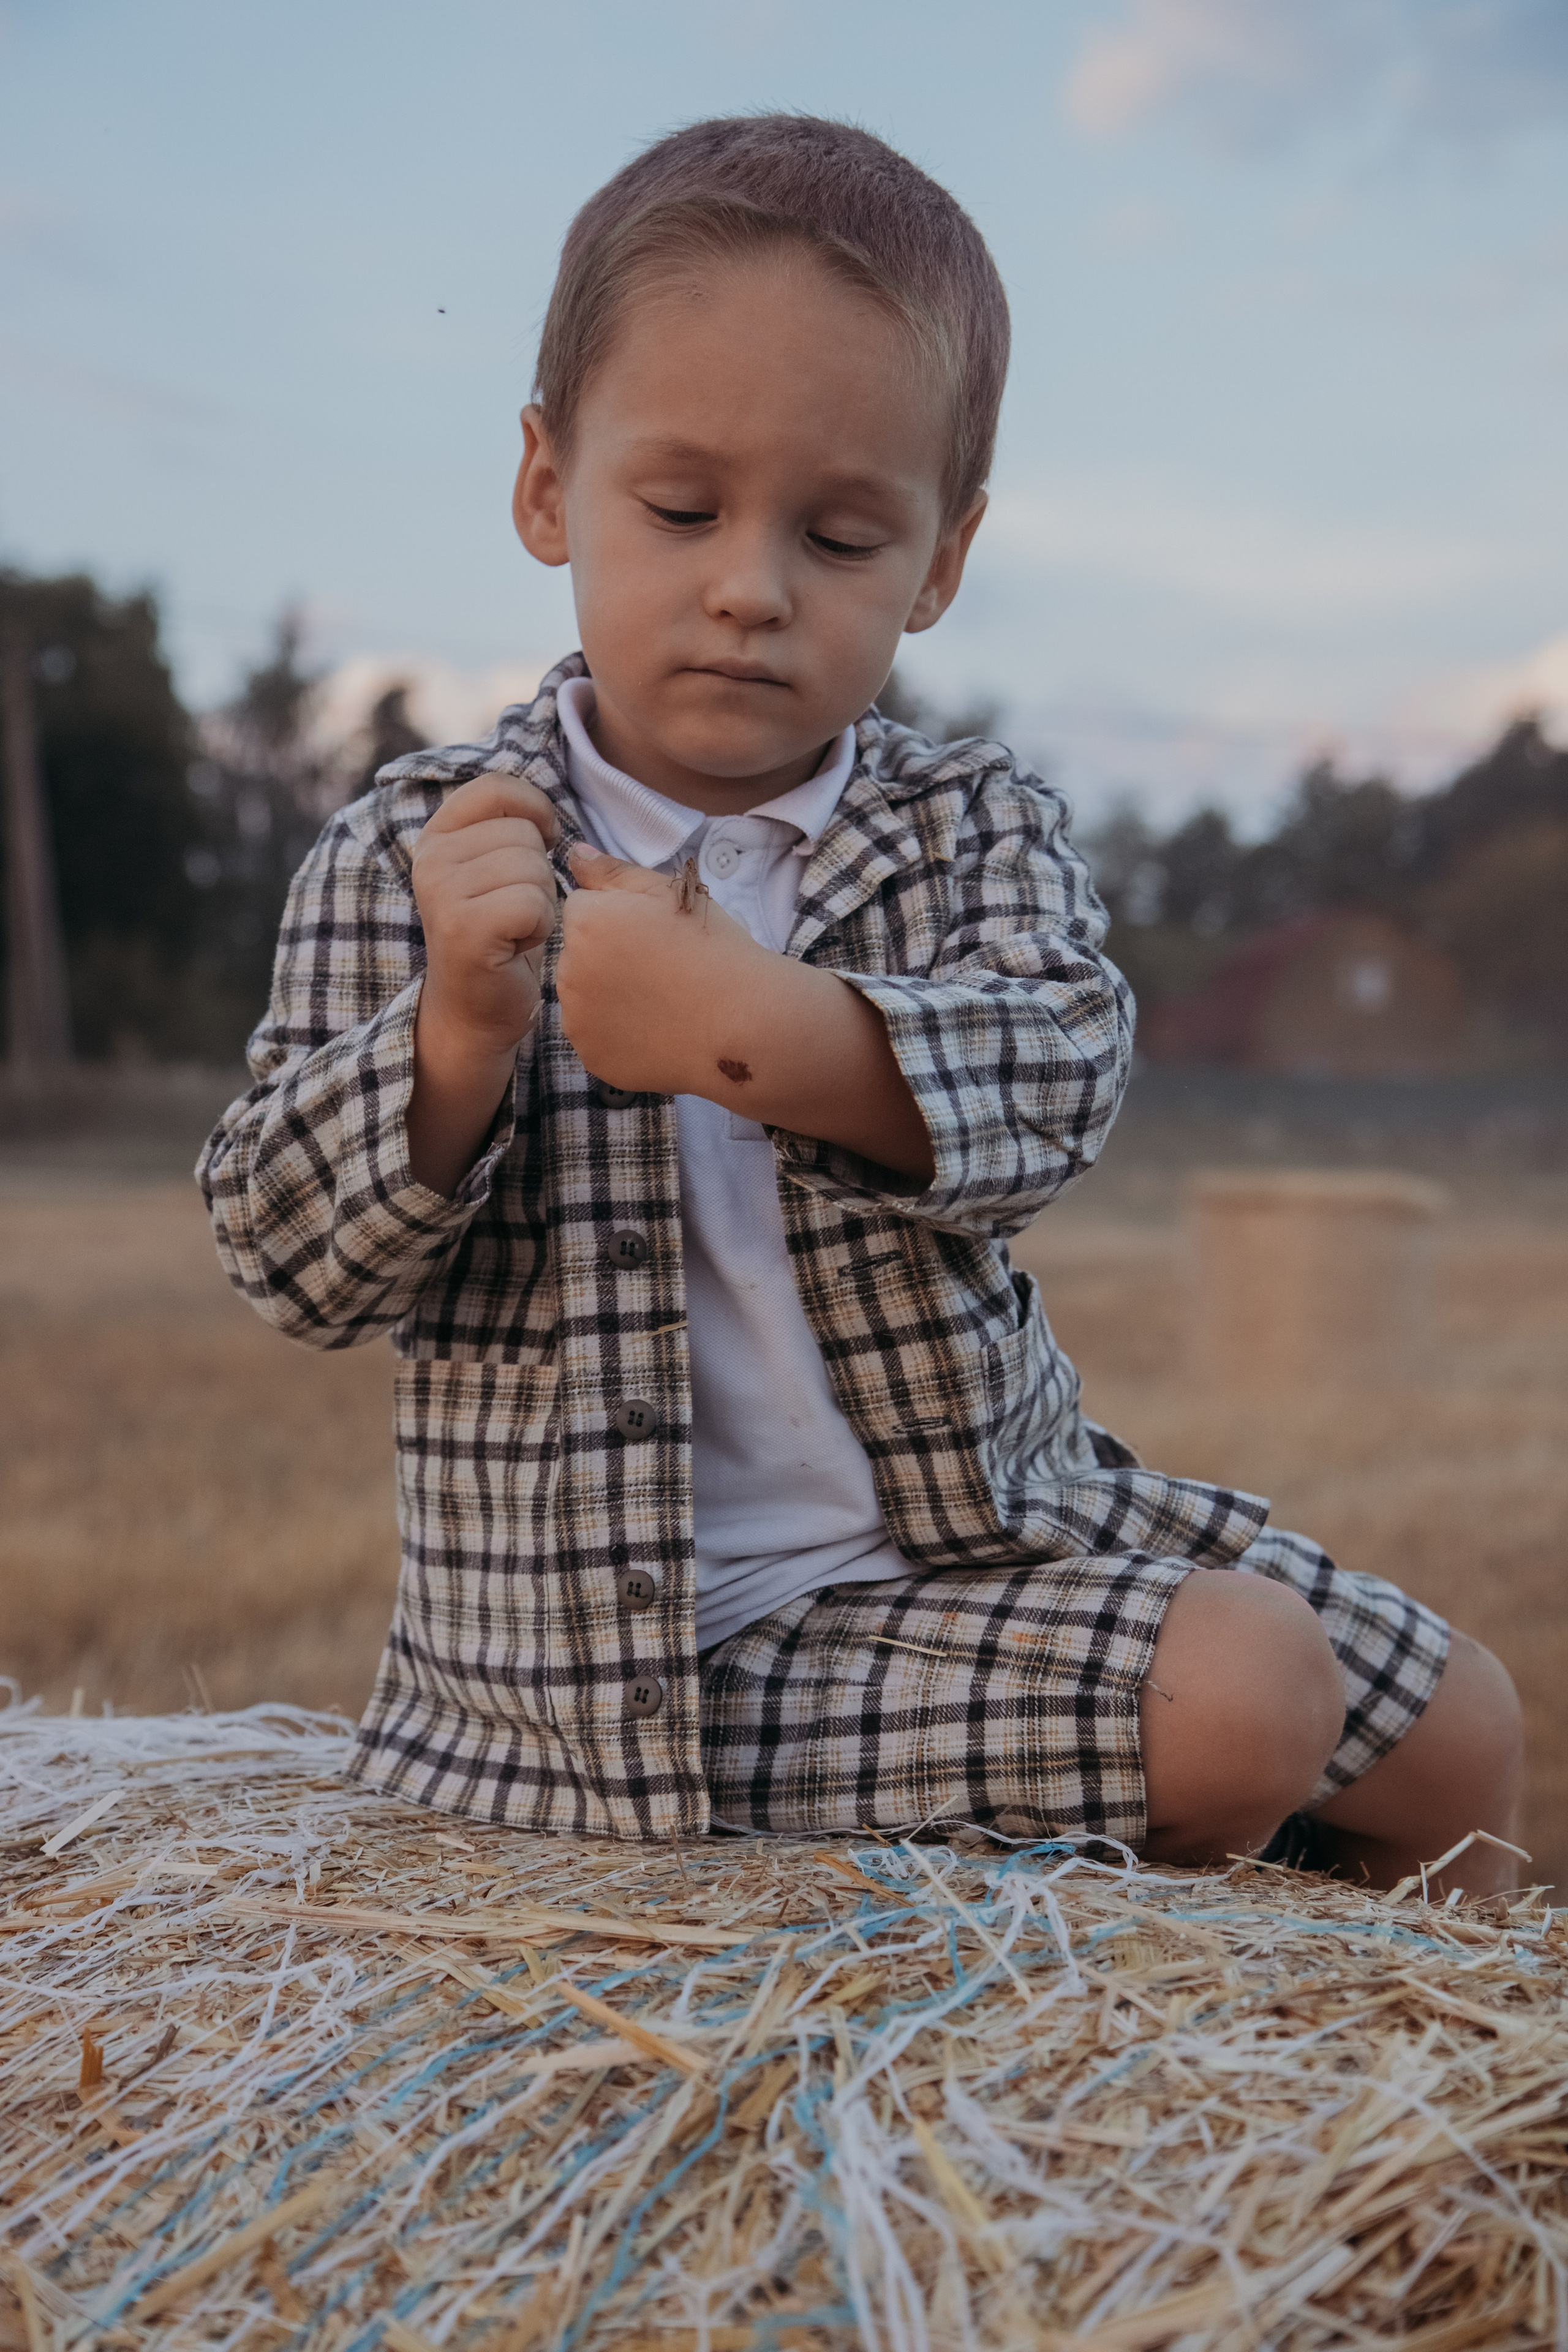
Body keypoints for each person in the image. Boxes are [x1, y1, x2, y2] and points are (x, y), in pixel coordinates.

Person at [200, 115, 1522, 1893]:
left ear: (943, 561)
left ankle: (1372, 2072)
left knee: (1474, 1739)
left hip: (998, 1527)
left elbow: (1055, 1078)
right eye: (682, 510)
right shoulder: (427, 850)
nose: (750, 586)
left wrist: (747, 1027)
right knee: (1246, 1699)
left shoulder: (966, 824)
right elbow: (282, 1256)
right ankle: (1115, 1925)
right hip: (659, 1676)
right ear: (544, 486)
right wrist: (454, 1034)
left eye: (838, 536)